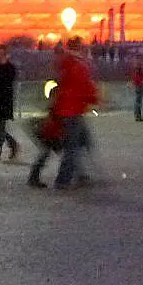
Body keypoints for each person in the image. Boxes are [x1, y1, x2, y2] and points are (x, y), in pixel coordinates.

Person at [28, 44, 98, 190]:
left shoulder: (63, 67)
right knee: (72, 146)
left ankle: (38, 175)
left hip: (59, 110)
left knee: (55, 144)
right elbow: (86, 88)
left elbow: (57, 87)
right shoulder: (79, 67)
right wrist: (93, 99)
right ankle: (65, 179)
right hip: (72, 111)